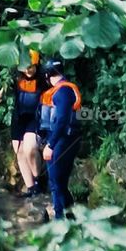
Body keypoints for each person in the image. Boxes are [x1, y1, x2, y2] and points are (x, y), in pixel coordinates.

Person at [0, 49, 44, 198]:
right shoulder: (16, 77)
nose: (28, 69)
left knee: (30, 148)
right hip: (19, 117)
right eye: (25, 66)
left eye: (31, 66)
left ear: (36, 64)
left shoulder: (43, 78)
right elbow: (5, 88)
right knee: (20, 152)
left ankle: (38, 180)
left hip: (35, 118)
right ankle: (31, 187)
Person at [36, 59, 82, 220]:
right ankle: (71, 219)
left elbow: (61, 119)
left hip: (62, 141)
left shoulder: (62, 92)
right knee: (60, 183)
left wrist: (50, 145)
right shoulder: (64, 90)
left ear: (48, 75)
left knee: (55, 183)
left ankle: (59, 221)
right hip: (66, 140)